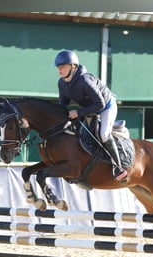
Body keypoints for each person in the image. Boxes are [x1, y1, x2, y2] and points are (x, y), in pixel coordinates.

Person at [54, 49, 127, 181]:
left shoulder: (85, 81)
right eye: (58, 66)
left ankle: (118, 166)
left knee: (104, 134)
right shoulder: (62, 83)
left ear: (73, 66)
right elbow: (62, 105)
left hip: (107, 106)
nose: (60, 69)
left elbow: (100, 104)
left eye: (63, 66)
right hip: (89, 108)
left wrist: (78, 112)